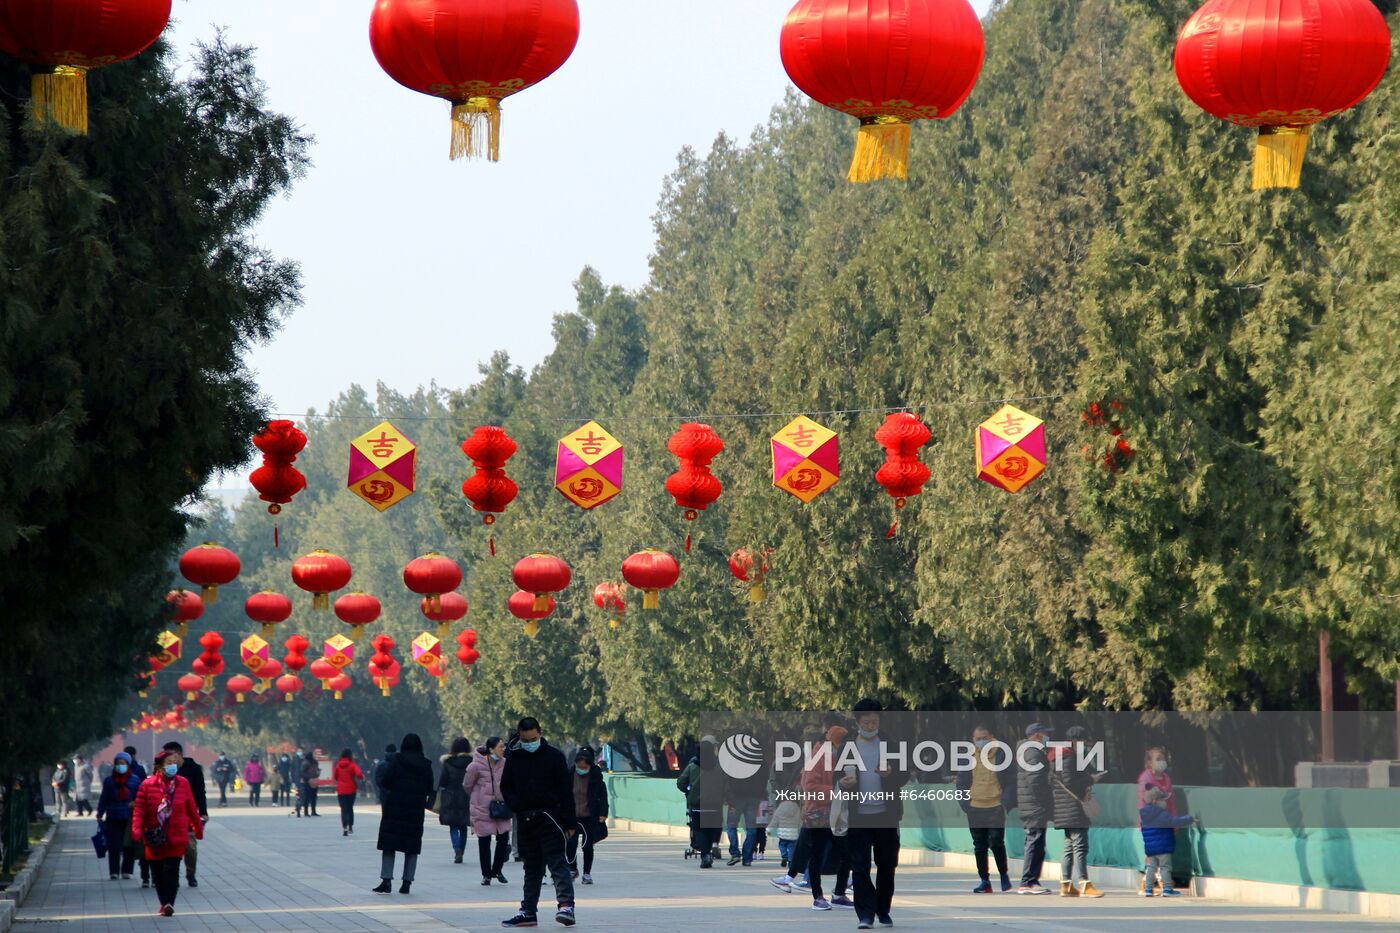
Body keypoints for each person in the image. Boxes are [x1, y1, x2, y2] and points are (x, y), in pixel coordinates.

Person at [499, 717, 576, 928]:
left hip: (552, 819)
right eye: (525, 739)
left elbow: (566, 792)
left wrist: (570, 823)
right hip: (526, 820)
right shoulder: (515, 758)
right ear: (519, 736)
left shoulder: (554, 757)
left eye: (533, 738)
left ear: (540, 733)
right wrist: (519, 807)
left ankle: (566, 906)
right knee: (532, 868)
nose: (529, 743)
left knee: (558, 864)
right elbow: (506, 787)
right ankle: (528, 911)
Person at [839, 700, 910, 927]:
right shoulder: (847, 746)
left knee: (887, 865)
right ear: (857, 722)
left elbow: (904, 775)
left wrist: (891, 774)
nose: (870, 725)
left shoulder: (890, 743)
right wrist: (843, 783)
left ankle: (883, 909)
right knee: (860, 866)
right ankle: (865, 914)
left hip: (886, 814)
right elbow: (837, 776)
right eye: (866, 722)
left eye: (874, 721)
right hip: (858, 814)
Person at [769, 725, 849, 911]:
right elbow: (810, 786)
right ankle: (818, 896)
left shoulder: (836, 757)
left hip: (835, 812)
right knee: (816, 853)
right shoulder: (819, 758)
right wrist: (837, 790)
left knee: (846, 854)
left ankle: (837, 893)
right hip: (819, 814)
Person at [132, 749, 203, 917]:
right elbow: (139, 810)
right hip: (154, 837)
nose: (173, 766)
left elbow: (191, 808)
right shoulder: (147, 785)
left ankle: (169, 903)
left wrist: (198, 828)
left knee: (172, 871)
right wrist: (137, 829)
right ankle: (163, 903)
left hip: (176, 836)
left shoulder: (183, 783)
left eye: (174, 763)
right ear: (159, 766)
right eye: (169, 763)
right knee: (157, 873)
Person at [956, 723, 1016, 894]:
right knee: (979, 846)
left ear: (992, 737)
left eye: (985, 738)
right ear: (973, 740)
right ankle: (985, 881)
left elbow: (1011, 780)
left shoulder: (1002, 753)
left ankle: (1004, 875)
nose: (981, 741)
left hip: (996, 806)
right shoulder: (968, 756)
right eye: (978, 739)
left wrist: (1005, 803)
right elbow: (961, 781)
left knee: (996, 842)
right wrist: (964, 803)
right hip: (974, 807)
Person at [373, 733, 434, 894]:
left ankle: (386, 880)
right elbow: (429, 788)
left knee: (389, 843)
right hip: (415, 810)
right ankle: (407, 882)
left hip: (395, 807)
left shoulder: (396, 761)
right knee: (411, 846)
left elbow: (386, 782)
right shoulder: (426, 765)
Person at [1051, 725, 1102, 898]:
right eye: (1083, 741)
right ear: (1074, 741)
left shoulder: (1058, 757)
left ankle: (1066, 884)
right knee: (1080, 846)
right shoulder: (1070, 757)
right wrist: (1090, 779)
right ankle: (1084, 883)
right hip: (1074, 807)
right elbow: (1070, 781)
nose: (1085, 744)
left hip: (1063, 807)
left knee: (1068, 846)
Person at [463, 737, 512, 886]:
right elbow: (467, 785)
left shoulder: (506, 764)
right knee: (484, 842)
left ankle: (497, 869)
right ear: (491, 749)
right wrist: (479, 797)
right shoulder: (475, 766)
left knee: (503, 839)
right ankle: (486, 874)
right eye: (500, 747)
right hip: (482, 808)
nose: (503, 749)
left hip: (502, 807)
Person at [1016, 723, 1054, 895]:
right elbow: (1036, 781)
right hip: (1034, 806)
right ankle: (1028, 881)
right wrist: (1046, 802)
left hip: (1031, 805)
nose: (1048, 737)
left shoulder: (1030, 751)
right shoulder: (1032, 752)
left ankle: (1032, 880)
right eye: (1046, 733)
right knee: (1034, 841)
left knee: (1036, 842)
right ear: (1038, 735)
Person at [162, 741, 207, 888]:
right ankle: (170, 876)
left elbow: (200, 792)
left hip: (188, 815)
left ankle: (190, 873)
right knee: (170, 849)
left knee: (190, 848)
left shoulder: (193, 769)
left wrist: (204, 812)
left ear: (179, 754)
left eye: (170, 755)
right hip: (168, 816)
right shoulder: (164, 770)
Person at [676, 736, 725, 868]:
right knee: (711, 830)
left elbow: (681, 783)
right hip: (715, 806)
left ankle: (705, 856)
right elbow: (725, 785)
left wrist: (688, 792)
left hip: (697, 806)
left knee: (699, 831)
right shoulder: (719, 767)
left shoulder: (692, 767)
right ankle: (712, 847)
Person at [1140, 786, 1196, 897]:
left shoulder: (1145, 815)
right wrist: (1189, 819)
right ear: (1155, 801)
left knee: (1151, 867)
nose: (1165, 802)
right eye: (1162, 800)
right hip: (1163, 846)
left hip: (1151, 848)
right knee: (1165, 867)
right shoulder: (1161, 814)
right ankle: (1167, 889)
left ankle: (1148, 889)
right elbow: (1174, 821)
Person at [1137, 746, 1177, 894]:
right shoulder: (1145, 779)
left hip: (1165, 823)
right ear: (1149, 762)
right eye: (1158, 759)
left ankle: (1162, 883)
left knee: (1164, 855)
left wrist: (1174, 819)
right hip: (1151, 824)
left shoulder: (1166, 778)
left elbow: (1171, 801)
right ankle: (1147, 884)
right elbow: (1143, 803)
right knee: (1152, 856)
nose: (1162, 762)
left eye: (1163, 759)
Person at [96, 752, 142, 880]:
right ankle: (114, 871)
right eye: (118, 764)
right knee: (114, 845)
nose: (120, 766)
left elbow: (140, 797)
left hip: (129, 818)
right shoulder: (109, 781)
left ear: (128, 765)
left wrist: (136, 803)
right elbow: (104, 798)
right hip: (113, 816)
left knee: (128, 845)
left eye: (123, 764)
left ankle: (127, 870)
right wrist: (100, 813)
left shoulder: (135, 780)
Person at [724, 738, 768, 867]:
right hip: (753, 799)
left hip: (736, 799)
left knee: (731, 826)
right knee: (751, 828)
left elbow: (727, 780)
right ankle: (747, 857)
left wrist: (728, 796)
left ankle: (735, 853)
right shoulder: (761, 762)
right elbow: (765, 779)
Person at [568, 747, 608, 884]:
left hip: (589, 816)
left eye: (584, 767)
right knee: (571, 844)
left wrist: (603, 813)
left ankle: (586, 873)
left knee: (587, 846)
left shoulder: (596, 777)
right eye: (579, 766)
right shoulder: (570, 774)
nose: (581, 769)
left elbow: (603, 796)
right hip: (573, 816)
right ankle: (572, 869)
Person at [438, 738, 473, 863]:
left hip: (451, 796)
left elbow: (443, 781)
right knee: (463, 825)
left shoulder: (448, 762)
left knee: (453, 825)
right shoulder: (471, 762)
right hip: (466, 796)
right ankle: (461, 851)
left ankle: (457, 849)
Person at [123, 746, 150, 887]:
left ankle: (151, 877)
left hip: (144, 817)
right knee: (132, 846)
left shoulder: (138, 772)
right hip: (132, 816)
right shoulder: (115, 775)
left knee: (149, 851)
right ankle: (140, 875)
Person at [334, 749, 365, 836]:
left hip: (341, 790)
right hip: (351, 789)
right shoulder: (353, 765)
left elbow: (335, 776)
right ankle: (350, 826)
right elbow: (359, 774)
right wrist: (361, 777)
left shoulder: (338, 766)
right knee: (350, 808)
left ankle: (344, 827)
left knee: (343, 809)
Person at [299, 749, 321, 817]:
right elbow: (302, 773)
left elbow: (316, 770)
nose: (314, 756)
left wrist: (318, 773)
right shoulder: (306, 763)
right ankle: (306, 812)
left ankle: (313, 811)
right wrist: (308, 779)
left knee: (314, 797)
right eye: (313, 755)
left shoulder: (315, 762)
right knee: (307, 797)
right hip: (307, 782)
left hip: (314, 781)